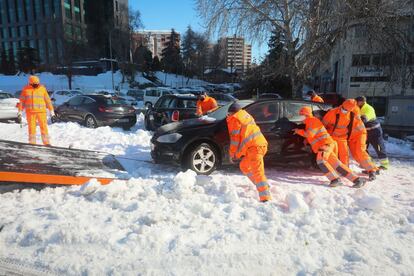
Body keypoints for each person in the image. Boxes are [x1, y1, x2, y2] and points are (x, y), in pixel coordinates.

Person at [294, 106, 366, 188]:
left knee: (321, 161)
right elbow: (313, 135)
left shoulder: (312, 121)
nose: (300, 117)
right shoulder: (310, 122)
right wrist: (306, 140)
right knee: (337, 165)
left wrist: (298, 131)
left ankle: (335, 180)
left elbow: (309, 134)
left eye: (301, 115)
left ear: (305, 115)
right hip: (326, 144)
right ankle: (357, 180)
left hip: (325, 145)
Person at [226, 102, 271, 202]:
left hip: (255, 148)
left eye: (228, 114)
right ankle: (264, 185)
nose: (227, 116)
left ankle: (265, 197)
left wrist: (232, 154)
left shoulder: (235, 119)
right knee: (244, 166)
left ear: (231, 113)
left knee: (258, 172)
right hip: (258, 145)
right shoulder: (245, 116)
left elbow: (235, 139)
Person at [323, 99, 378, 180]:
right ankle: (345, 171)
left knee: (360, 151)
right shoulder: (332, 113)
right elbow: (323, 125)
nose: (344, 110)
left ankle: (372, 170)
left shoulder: (354, 112)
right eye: (343, 108)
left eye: (346, 110)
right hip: (346, 137)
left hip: (358, 135)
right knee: (350, 155)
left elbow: (358, 123)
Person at [18, 75, 55, 145]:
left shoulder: (42, 89)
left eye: (37, 83)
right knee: (31, 128)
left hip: (41, 112)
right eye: (35, 84)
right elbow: (21, 101)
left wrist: (52, 111)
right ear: (30, 83)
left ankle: (46, 143)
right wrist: (19, 111)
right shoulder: (25, 89)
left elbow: (48, 101)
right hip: (30, 112)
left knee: (44, 127)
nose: (37, 85)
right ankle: (32, 143)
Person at [355, 96, 389, 170]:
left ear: (362, 101)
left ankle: (384, 165)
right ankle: (369, 163)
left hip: (375, 132)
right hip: (366, 132)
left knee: (379, 147)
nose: (356, 103)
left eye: (357, 102)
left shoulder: (368, 108)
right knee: (363, 148)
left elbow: (364, 119)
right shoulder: (358, 108)